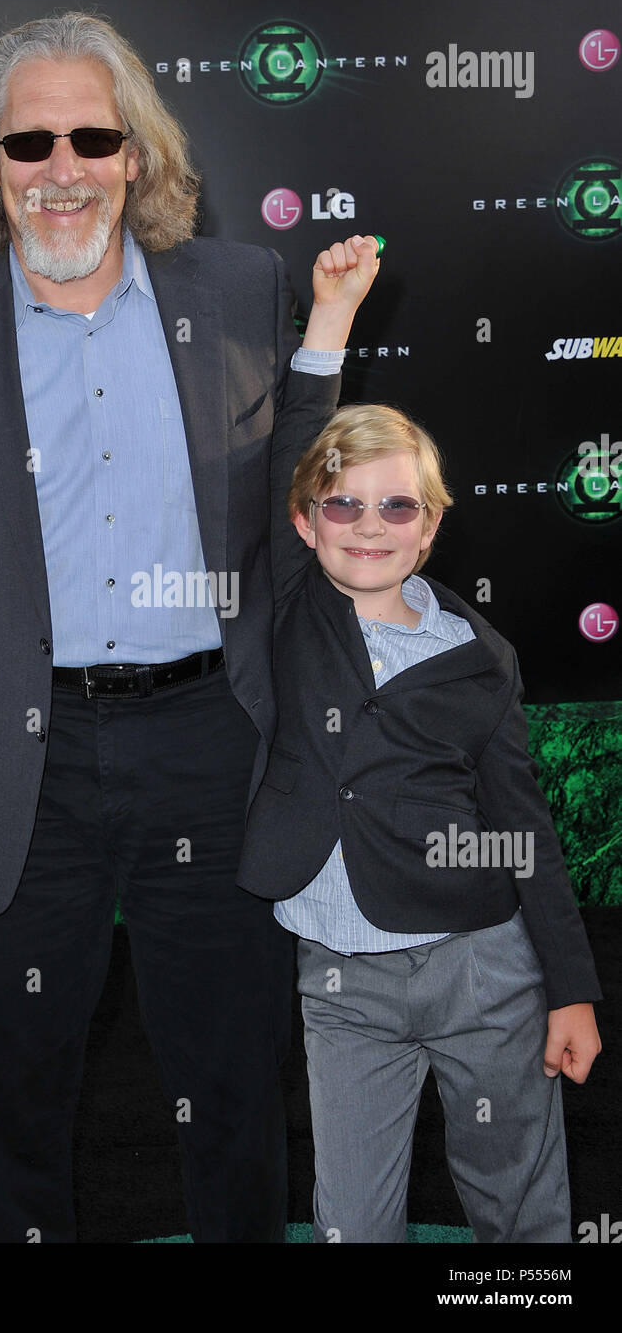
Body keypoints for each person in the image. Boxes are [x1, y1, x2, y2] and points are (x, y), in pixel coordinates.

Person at [0, 10, 380, 1243]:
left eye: (92, 136)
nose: (61, 169)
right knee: (9, 1085)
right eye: (27, 144)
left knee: (232, 1078)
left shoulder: (237, 285)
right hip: (10, 771)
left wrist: (327, 338)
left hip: (206, 741)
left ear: (134, 153)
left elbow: (284, 497)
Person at [237, 402, 602, 1243]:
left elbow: (524, 830)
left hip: (481, 968)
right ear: (304, 521)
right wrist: (328, 324)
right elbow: (284, 458)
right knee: (352, 1224)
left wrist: (570, 989)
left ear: (430, 525)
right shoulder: (290, 609)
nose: (370, 525)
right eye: (343, 504)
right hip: (340, 988)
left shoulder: (482, 658)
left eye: (398, 505)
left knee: (516, 1203)